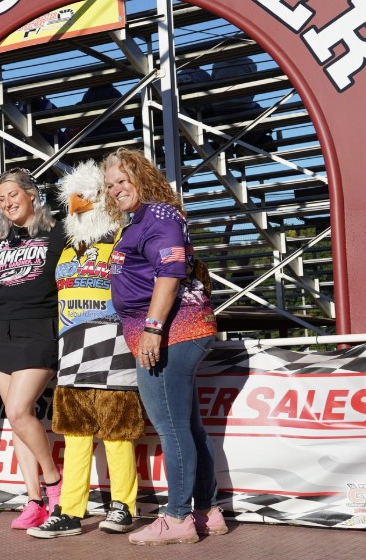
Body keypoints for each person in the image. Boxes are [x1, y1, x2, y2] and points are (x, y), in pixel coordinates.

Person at [101, 148, 226, 546]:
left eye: (123, 180)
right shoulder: (141, 220)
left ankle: (177, 517)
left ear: (142, 178)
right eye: (110, 185)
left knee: (172, 428)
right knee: (187, 426)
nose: (116, 189)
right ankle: (207, 512)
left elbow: (169, 275)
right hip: (172, 329)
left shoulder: (158, 214)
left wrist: (153, 329)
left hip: (173, 330)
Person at [28, 160, 144, 539]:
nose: (79, 205)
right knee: (75, 437)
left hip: (115, 348)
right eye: (74, 198)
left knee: (116, 433)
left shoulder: (124, 237)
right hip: (72, 352)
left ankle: (123, 505)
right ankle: (70, 511)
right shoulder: (64, 245)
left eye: (88, 196)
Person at [0, 168, 64, 529]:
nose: (7, 203)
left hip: (37, 329)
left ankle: (55, 483)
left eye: (13, 194)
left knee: (17, 410)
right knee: (18, 420)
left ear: (31, 194)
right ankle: (34, 501)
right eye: (1, 198)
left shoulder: (57, 232)